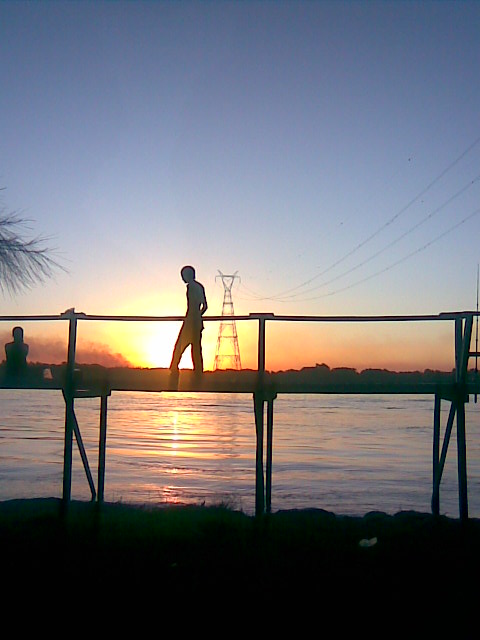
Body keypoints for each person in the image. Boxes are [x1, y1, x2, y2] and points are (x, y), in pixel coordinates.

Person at [170, 265, 208, 373]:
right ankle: (198, 372)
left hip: (191, 322)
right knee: (195, 349)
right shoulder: (198, 286)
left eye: (183, 275)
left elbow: (203, 306)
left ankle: (173, 370)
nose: (182, 278)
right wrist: (198, 316)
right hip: (194, 322)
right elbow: (205, 306)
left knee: (180, 346)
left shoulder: (193, 287)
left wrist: (194, 317)